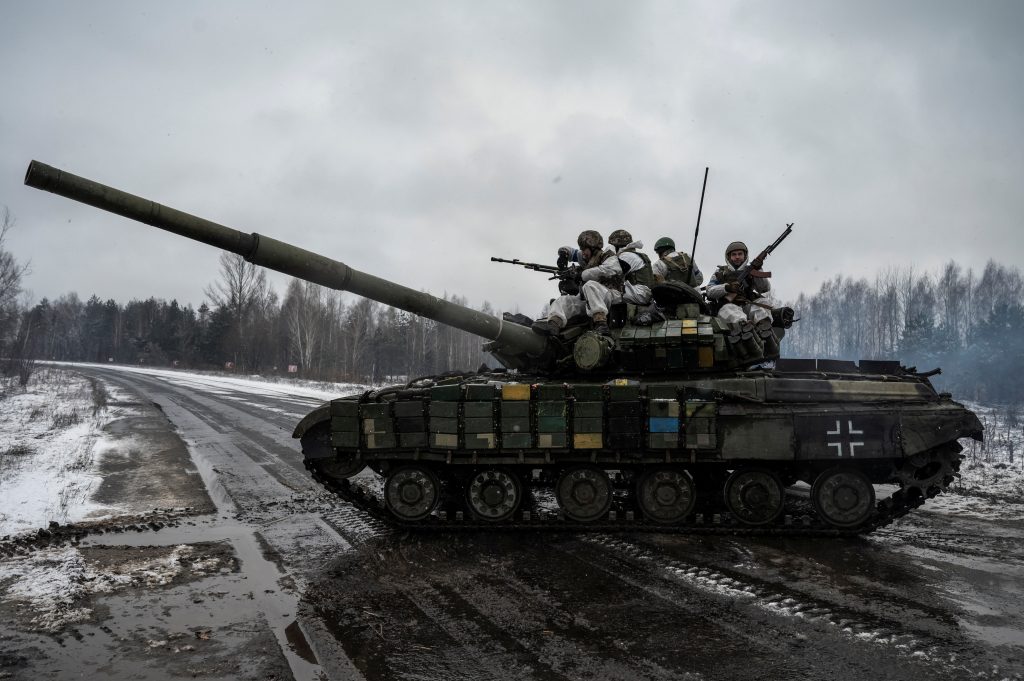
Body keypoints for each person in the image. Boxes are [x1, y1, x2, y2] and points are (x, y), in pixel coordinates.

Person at [533, 230, 622, 336]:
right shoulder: (586, 258)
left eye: (585, 249)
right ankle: (553, 325)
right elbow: (572, 252)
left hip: (611, 296)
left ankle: (600, 323)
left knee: (590, 285)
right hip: (591, 300)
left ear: (593, 248)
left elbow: (609, 269)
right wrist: (563, 254)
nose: (583, 253)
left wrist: (582, 275)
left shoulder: (608, 256)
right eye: (582, 249)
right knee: (563, 300)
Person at [705, 241, 778, 357]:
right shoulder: (720, 273)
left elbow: (764, 288)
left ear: (745, 256)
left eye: (740, 254)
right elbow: (709, 291)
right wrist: (727, 288)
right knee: (729, 310)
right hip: (730, 306)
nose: (737, 257)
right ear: (728, 257)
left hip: (748, 304)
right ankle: (746, 327)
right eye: (734, 254)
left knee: (763, 303)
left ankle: (764, 329)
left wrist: (758, 271)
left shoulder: (752, 269)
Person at [607, 229, 653, 306]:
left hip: (639, 293)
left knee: (603, 291)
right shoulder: (634, 254)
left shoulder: (626, 256)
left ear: (616, 246)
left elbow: (610, 273)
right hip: (643, 293)